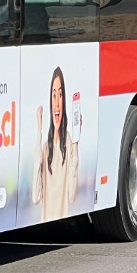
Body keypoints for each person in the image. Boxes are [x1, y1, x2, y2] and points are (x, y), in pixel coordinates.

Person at [32, 66, 80, 222]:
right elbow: (35, 196)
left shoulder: (69, 144)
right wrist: (39, 130)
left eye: (60, 95)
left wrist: (76, 142)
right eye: (54, 96)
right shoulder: (46, 148)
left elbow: (72, 195)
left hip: (62, 219)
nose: (57, 103)